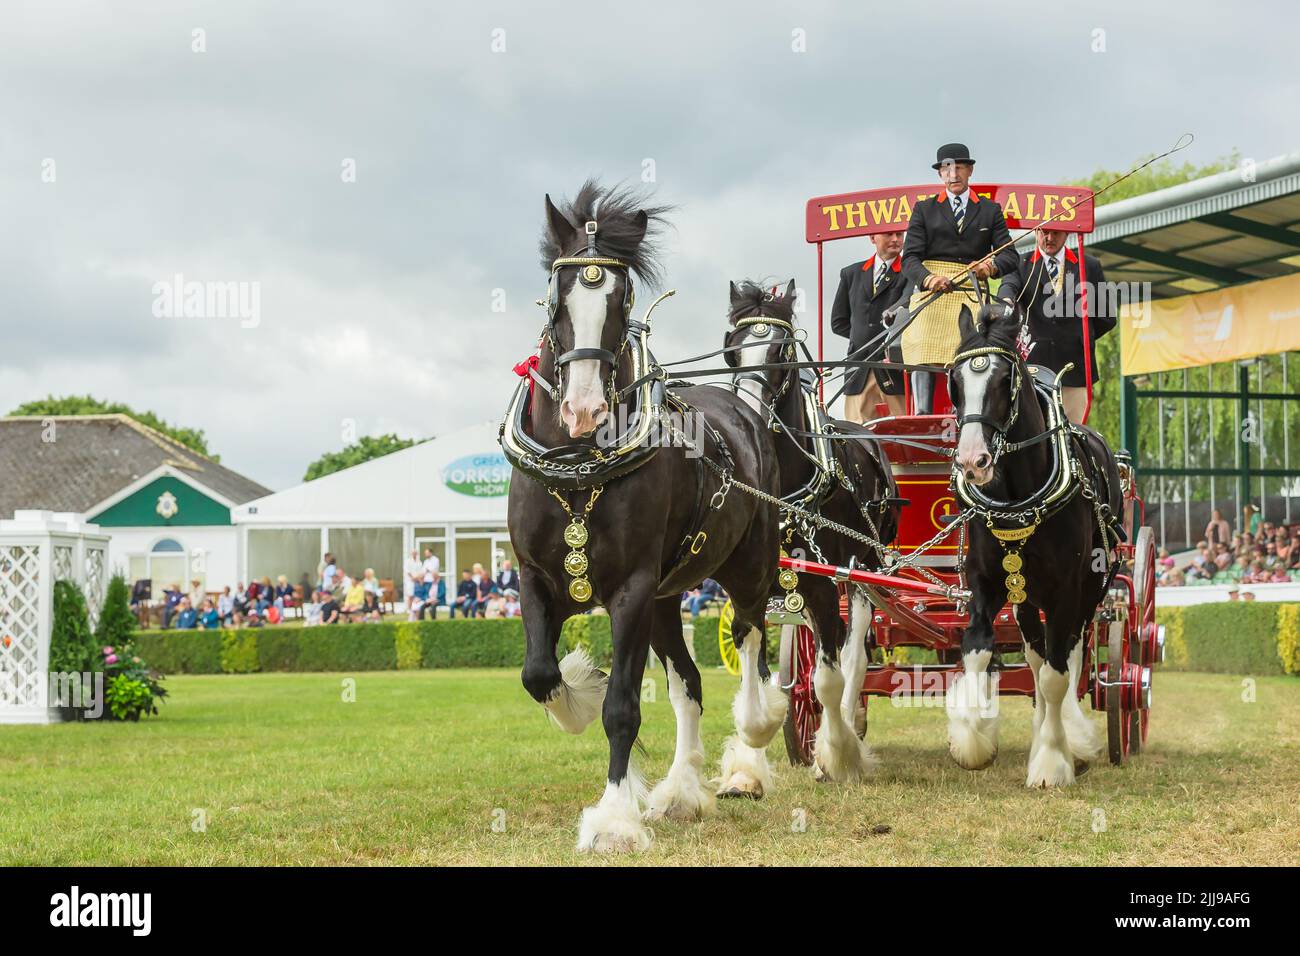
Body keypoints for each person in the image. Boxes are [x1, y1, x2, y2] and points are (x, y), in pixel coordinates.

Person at [900, 142, 1020, 412]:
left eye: (959, 168)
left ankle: (967, 408)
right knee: (919, 331)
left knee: (976, 339)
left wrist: (988, 268)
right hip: (932, 290)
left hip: (971, 288)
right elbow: (909, 258)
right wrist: (929, 279)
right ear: (940, 174)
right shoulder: (924, 209)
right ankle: (922, 411)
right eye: (946, 168)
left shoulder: (990, 210)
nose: (953, 174)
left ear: (970, 170)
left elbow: (1010, 256)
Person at [996, 225, 1113, 423]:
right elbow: (1008, 286)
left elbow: (1106, 317)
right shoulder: (1020, 263)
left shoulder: (1089, 265)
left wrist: (1081, 337)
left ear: (1067, 233)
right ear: (1035, 232)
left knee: (1073, 434)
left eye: (1056, 232)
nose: (1049, 238)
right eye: (1043, 232)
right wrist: (1006, 301)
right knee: (1033, 432)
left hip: (1075, 368)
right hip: (1032, 368)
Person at [830, 226, 911, 420]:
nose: (895, 239)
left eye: (899, 235)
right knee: (857, 435)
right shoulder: (850, 273)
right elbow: (838, 322)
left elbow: (909, 302)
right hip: (858, 369)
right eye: (889, 233)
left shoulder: (910, 272)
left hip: (895, 369)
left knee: (904, 433)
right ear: (872, 237)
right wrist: (863, 338)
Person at [404, 549, 424, 614]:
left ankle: (414, 608)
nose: (414, 554)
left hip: (417, 580)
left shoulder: (419, 562)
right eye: (413, 553)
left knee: (416, 595)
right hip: (409, 580)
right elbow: (407, 571)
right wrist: (412, 578)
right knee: (410, 595)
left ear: (417, 554)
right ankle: (408, 609)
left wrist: (417, 578)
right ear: (411, 554)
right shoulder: (407, 561)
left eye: (415, 553)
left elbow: (420, 571)